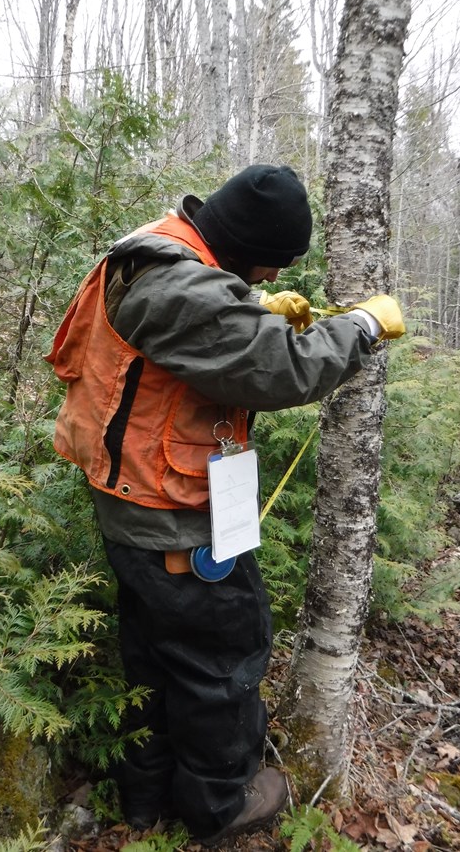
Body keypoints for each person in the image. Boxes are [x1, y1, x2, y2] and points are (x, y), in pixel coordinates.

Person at [45, 164, 405, 846]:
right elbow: (285, 369)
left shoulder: (159, 245)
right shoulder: (180, 283)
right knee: (223, 656)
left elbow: (191, 339)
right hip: (170, 514)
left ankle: (145, 796)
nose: (267, 281)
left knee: (153, 656)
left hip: (136, 505)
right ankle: (220, 804)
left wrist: (251, 314)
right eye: (267, 268)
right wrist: (358, 326)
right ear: (239, 246)